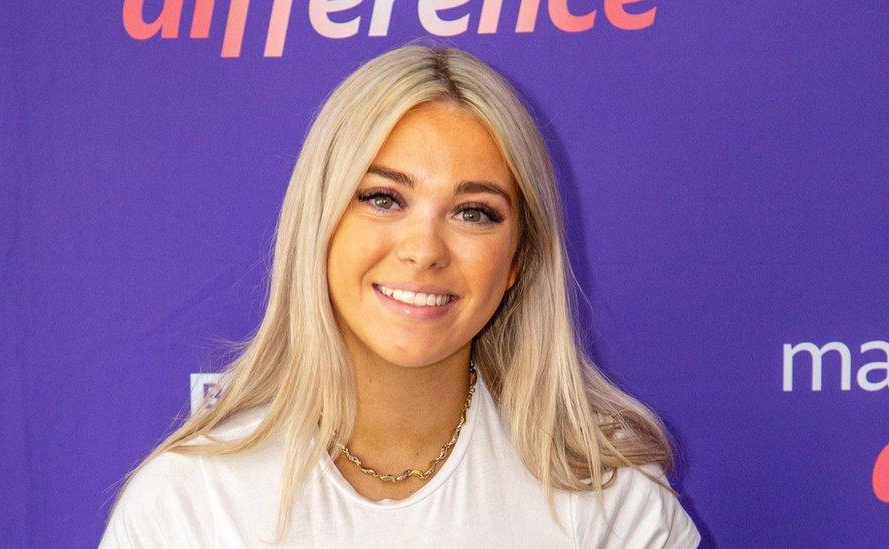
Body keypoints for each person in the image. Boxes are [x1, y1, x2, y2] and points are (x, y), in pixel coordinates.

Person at [100, 43, 702, 548]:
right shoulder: (188, 504)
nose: (424, 250)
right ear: (321, 222)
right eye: (384, 198)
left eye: (473, 212)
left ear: (519, 258)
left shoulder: (609, 501)